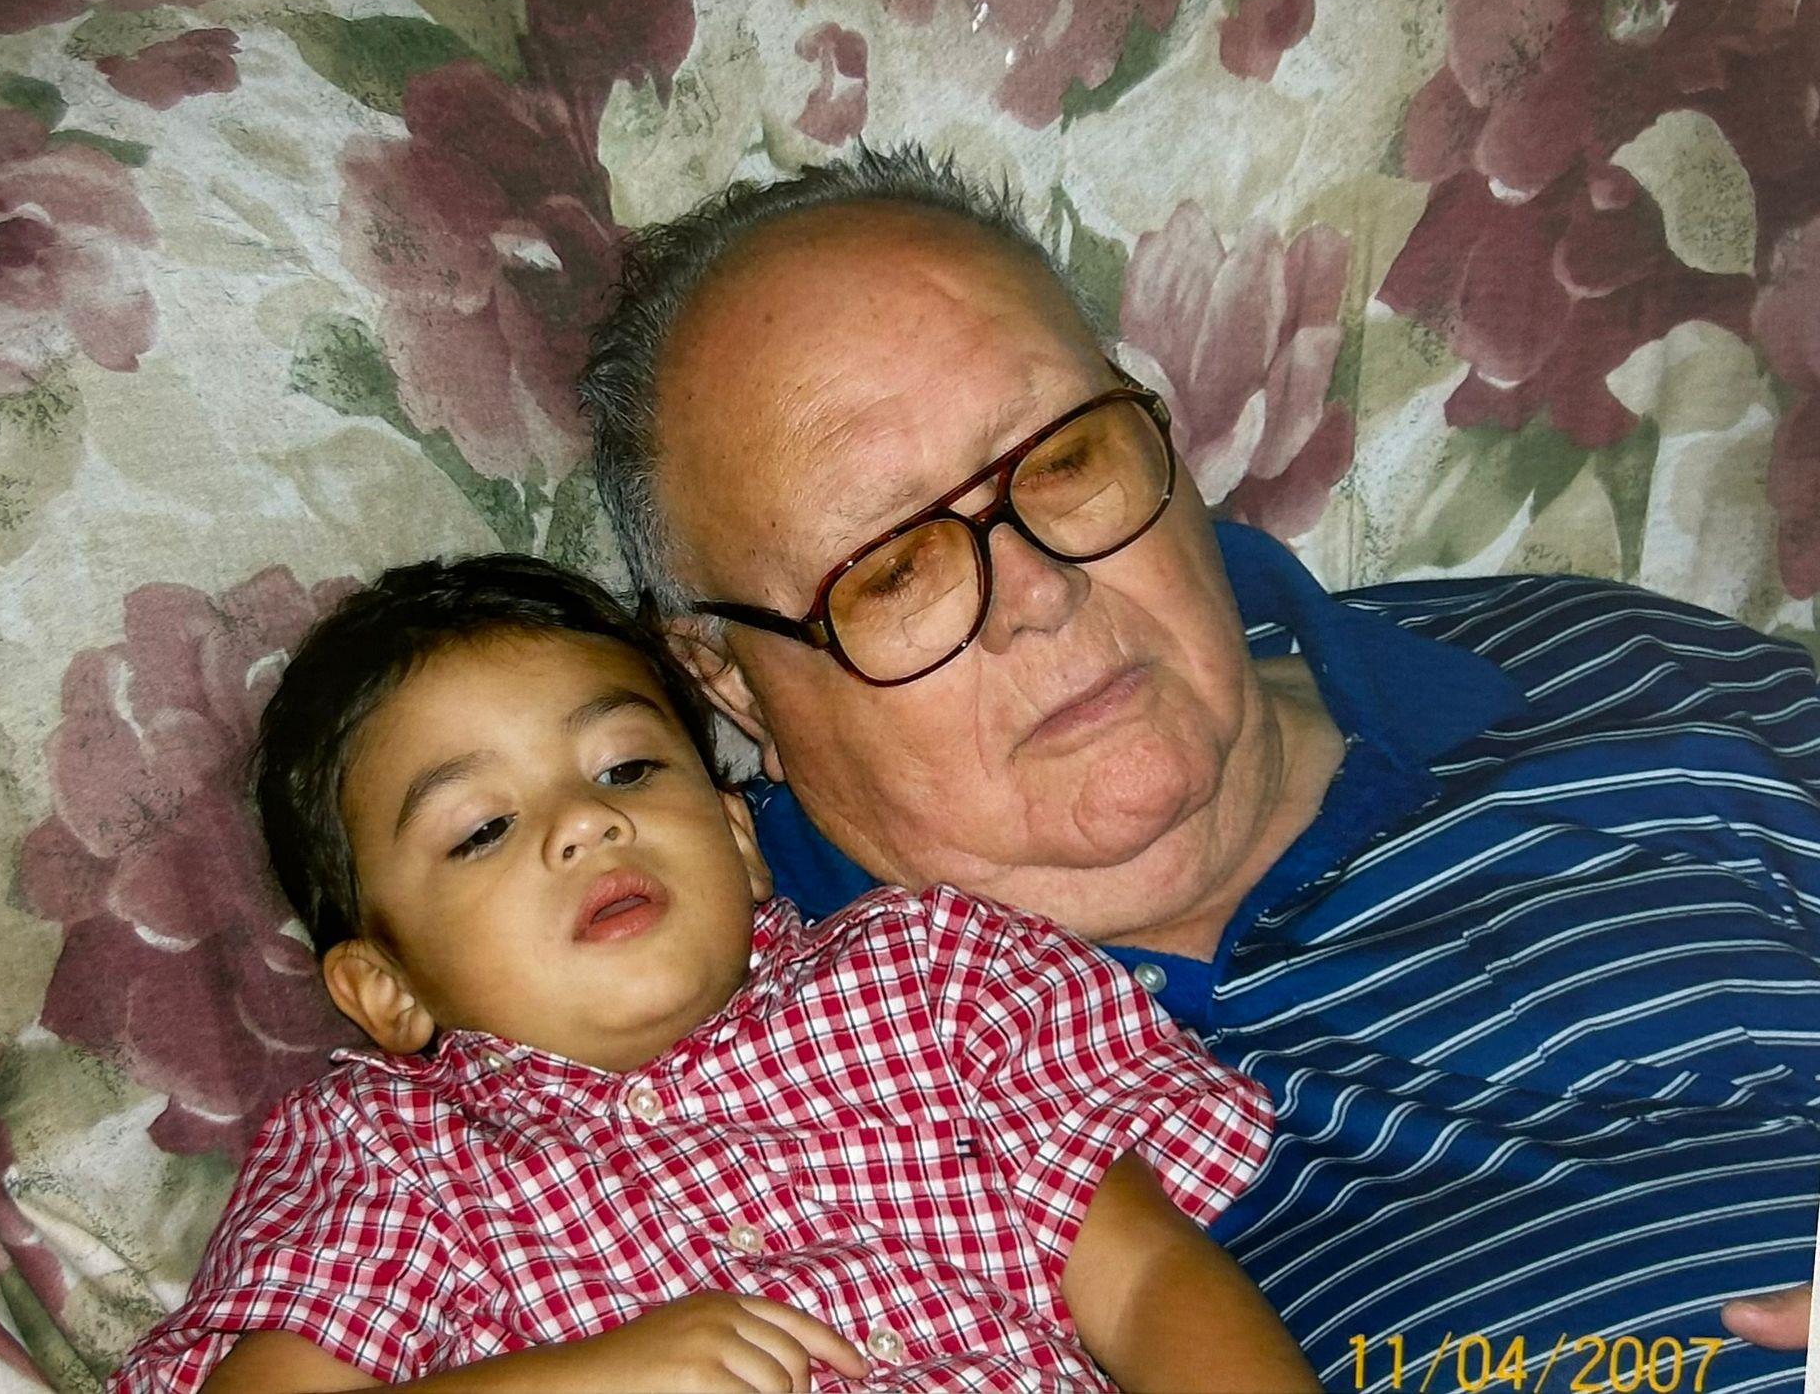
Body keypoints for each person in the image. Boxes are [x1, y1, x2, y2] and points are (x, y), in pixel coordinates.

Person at [578, 144, 1820, 1390]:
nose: (1042, 596)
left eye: (1062, 462)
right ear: (729, 680)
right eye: (892, 569)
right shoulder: (652, 1022)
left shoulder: (1607, 675)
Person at [109, 554, 1319, 1394]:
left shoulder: (927, 989)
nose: (583, 825)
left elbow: (1147, 1276)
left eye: (627, 769)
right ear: (388, 990)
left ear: (739, 841)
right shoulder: (387, 1156)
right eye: (480, 829)